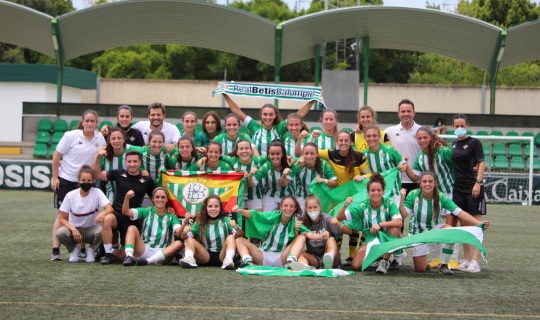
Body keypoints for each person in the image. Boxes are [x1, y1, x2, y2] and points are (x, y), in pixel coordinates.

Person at [399, 172, 490, 275]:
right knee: (420, 269)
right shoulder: (413, 194)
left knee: (451, 231)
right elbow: (403, 216)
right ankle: (424, 263)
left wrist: (478, 223)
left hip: (435, 229)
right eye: (424, 181)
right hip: (417, 232)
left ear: (434, 184)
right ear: (420, 184)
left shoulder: (441, 196)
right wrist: (402, 199)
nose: (427, 184)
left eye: (430, 181)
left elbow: (459, 212)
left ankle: (444, 265)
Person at [50, 109, 107, 261]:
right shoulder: (71, 136)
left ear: (96, 123)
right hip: (67, 179)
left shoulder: (100, 139)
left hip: (86, 181)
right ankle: (55, 249)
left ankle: (82, 249)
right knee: (63, 215)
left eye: (92, 121)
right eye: (86, 121)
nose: (89, 123)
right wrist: (55, 178)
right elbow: (56, 155)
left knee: (86, 212)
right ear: (82, 122)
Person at [402, 126, 457, 268]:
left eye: (425, 137)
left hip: (450, 193)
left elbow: (459, 164)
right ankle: (438, 259)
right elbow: (415, 178)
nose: (422, 140)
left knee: (450, 228)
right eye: (419, 138)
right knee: (434, 225)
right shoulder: (420, 157)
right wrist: (406, 167)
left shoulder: (443, 151)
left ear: (431, 137)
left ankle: (452, 260)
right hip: (433, 197)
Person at [317, 130, 371, 266]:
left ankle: (352, 257)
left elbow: (371, 174)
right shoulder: (330, 154)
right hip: (338, 198)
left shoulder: (359, 156)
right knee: (337, 226)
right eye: (340, 140)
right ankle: (337, 256)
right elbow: (311, 153)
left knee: (355, 225)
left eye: (346, 140)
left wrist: (363, 176)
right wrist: (297, 158)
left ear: (351, 142)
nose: (343, 143)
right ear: (337, 142)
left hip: (356, 197)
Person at [93, 150, 155, 264]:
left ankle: (118, 253)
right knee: (107, 219)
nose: (132, 164)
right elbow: (97, 174)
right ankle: (108, 254)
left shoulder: (147, 180)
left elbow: (155, 199)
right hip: (116, 214)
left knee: (127, 256)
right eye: (129, 161)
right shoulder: (118, 174)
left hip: (132, 217)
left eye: (135, 161)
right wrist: (97, 158)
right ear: (125, 163)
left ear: (140, 162)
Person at [336, 173, 403, 273]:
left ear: (383, 191)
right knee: (356, 266)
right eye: (372, 190)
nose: (376, 193)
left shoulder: (389, 204)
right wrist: (345, 205)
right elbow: (339, 217)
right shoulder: (363, 206)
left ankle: (385, 260)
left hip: (387, 237)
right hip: (370, 239)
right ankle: (377, 256)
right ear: (368, 192)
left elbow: (399, 222)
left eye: (379, 190)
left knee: (394, 228)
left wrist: (380, 225)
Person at [232, 196, 312, 268]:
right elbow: (255, 215)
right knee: (239, 240)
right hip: (263, 256)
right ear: (280, 207)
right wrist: (240, 211)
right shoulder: (272, 216)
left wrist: (322, 236)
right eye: (285, 206)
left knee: (302, 237)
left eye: (291, 206)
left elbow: (309, 234)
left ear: (294, 209)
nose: (288, 208)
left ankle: (291, 261)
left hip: (282, 257)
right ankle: (247, 261)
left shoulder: (295, 221)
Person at [223, 94, 314, 156]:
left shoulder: (280, 128)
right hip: (257, 169)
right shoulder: (254, 126)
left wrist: (314, 99)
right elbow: (236, 110)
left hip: (276, 168)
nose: (268, 117)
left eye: (271, 114)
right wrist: (224, 95)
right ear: (261, 115)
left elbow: (298, 115)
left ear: (275, 115)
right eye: (265, 114)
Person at [451, 114, 487, 273]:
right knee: (463, 226)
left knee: (476, 225)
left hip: (473, 188)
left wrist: (477, 183)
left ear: (467, 125)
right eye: (456, 126)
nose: (459, 128)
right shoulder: (453, 144)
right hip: (458, 189)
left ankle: (475, 261)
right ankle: (466, 260)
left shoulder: (474, 142)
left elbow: (481, 162)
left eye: (462, 125)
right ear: (453, 127)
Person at [56, 165, 113, 263]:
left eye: (89, 180)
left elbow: (109, 208)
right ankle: (74, 250)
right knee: (60, 233)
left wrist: (102, 214)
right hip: (75, 230)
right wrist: (73, 229)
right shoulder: (71, 195)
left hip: (91, 229)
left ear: (93, 181)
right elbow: (61, 218)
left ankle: (91, 250)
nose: (86, 183)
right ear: (79, 180)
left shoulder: (97, 192)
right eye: (83, 180)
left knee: (103, 230)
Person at [121, 187, 183, 266]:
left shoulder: (171, 216)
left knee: (178, 243)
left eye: (163, 197)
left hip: (161, 253)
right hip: (144, 249)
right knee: (132, 228)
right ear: (153, 199)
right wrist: (127, 198)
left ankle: (147, 261)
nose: (160, 199)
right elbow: (125, 212)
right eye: (157, 197)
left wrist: (185, 222)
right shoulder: (147, 211)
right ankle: (129, 256)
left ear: (167, 199)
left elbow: (178, 230)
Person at [178, 195, 242, 269]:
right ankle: (189, 259)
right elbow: (184, 237)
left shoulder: (226, 220)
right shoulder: (200, 222)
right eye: (210, 206)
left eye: (216, 206)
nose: (213, 209)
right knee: (189, 239)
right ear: (206, 208)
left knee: (231, 237)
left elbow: (240, 234)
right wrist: (184, 232)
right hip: (205, 256)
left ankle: (228, 260)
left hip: (222, 255)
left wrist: (236, 227)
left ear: (220, 208)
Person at [293, 195, 347, 269]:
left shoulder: (327, 219)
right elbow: (296, 241)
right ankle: (305, 267)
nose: (312, 210)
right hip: (314, 257)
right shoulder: (302, 222)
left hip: (330, 254)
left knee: (331, 240)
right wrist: (296, 230)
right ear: (305, 209)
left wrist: (338, 223)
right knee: (300, 254)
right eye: (309, 208)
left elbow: (341, 232)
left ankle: (328, 259)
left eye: (315, 207)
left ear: (320, 207)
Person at [384, 99, 422, 194]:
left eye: (409, 111)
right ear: (398, 113)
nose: (406, 114)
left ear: (414, 113)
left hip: (417, 179)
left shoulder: (422, 131)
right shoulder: (389, 131)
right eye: (403, 111)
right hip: (396, 180)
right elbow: (373, 137)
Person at [287, 142, 337, 211]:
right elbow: (283, 158)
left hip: (320, 199)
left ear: (317, 154)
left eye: (312, 153)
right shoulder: (298, 162)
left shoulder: (324, 164)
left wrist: (324, 180)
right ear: (302, 154)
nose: (309, 156)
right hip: (302, 199)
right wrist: (289, 158)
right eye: (306, 153)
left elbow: (335, 183)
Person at [222, 139, 265, 211]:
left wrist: (288, 157)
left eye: (247, 148)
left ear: (251, 151)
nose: (244, 151)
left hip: (255, 195)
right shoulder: (233, 160)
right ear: (237, 152)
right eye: (241, 149)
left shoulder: (258, 160)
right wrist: (204, 158)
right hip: (238, 196)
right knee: (238, 219)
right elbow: (218, 156)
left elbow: (271, 155)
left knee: (256, 218)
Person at [253, 140, 294, 211]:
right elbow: (253, 181)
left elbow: (303, 159)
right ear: (268, 154)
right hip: (270, 194)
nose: (275, 156)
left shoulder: (290, 162)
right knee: (268, 218)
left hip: (288, 194)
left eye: (278, 154)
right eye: (272, 154)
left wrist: (301, 159)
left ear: (283, 154)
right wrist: (249, 175)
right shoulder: (265, 166)